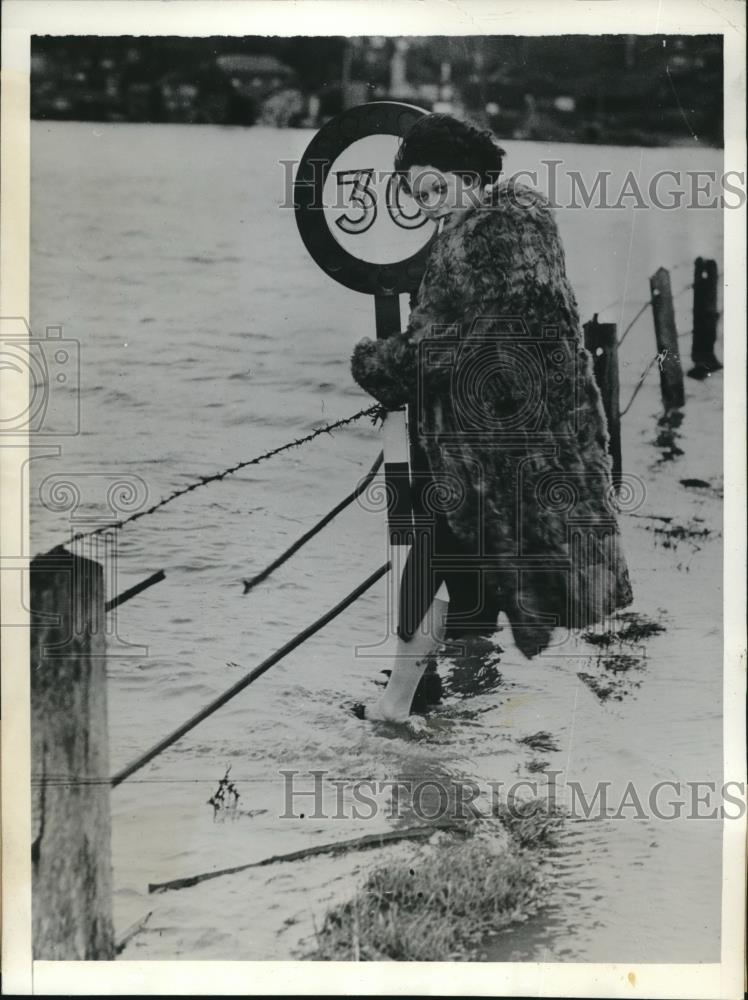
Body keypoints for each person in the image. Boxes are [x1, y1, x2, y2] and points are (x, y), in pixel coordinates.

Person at [351, 113, 633, 721]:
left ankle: (398, 707)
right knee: (452, 575)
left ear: (468, 176)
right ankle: (422, 699)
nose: (428, 207)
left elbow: (441, 347)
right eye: (418, 195)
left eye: (435, 189)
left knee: (426, 571)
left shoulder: (472, 241)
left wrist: (374, 365)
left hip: (483, 451)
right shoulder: (529, 221)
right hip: (529, 436)